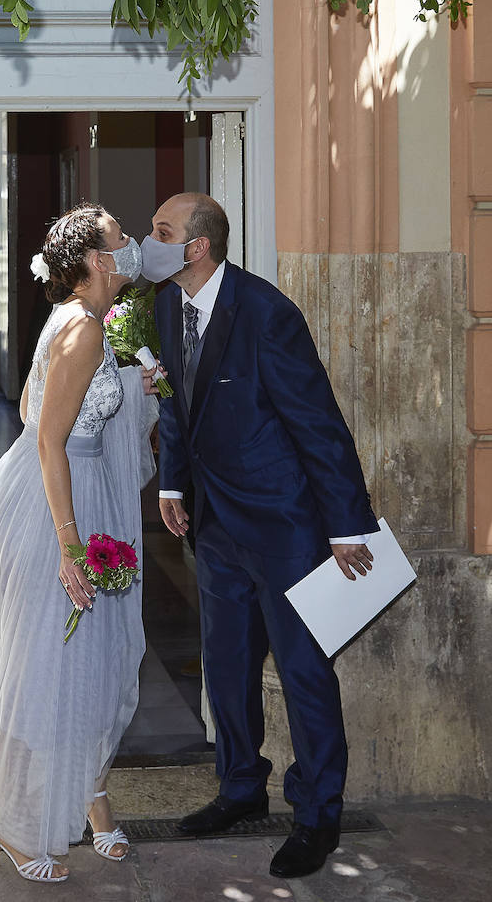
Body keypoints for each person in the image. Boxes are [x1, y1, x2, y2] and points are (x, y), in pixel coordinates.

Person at [142, 192, 377, 880]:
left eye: (162, 231)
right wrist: (173, 484)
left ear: (197, 247)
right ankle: (240, 786)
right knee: (228, 664)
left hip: (285, 526)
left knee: (303, 671)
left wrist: (345, 525)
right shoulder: (165, 306)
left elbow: (318, 424)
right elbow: (179, 405)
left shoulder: (267, 313)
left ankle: (318, 813)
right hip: (214, 526)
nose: (148, 240)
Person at [0, 203, 159, 884]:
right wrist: (69, 543)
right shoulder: (82, 329)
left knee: (88, 660)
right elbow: (49, 435)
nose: (131, 243)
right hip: (54, 506)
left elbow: (32, 409)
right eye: (120, 238)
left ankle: (90, 802)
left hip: (63, 489)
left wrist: (130, 393)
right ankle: (21, 828)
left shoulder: (85, 322)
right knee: (45, 669)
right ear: (95, 260)